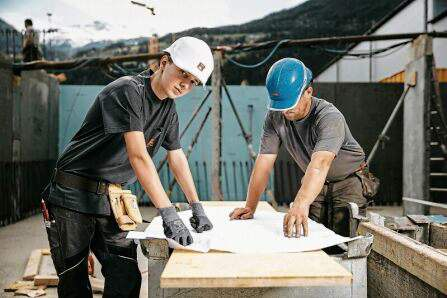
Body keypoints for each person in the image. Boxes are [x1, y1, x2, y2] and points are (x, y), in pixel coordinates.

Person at [41, 36, 214, 297]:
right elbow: (138, 156)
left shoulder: (168, 110)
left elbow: (176, 157)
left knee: (126, 276)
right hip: (72, 194)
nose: (185, 85)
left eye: (193, 82)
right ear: (164, 62)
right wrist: (168, 212)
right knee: (74, 280)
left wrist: (196, 205)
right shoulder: (128, 90)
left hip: (111, 197)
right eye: (183, 74)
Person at [230, 58, 370, 238]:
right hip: (314, 181)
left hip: (348, 182)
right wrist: (250, 206)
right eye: (280, 106)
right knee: (307, 236)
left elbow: (320, 163)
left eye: (290, 104)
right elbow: (264, 163)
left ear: (308, 92)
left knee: (345, 241)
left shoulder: (329, 117)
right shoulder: (275, 117)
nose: (284, 111)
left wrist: (300, 204)